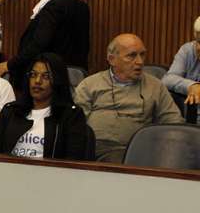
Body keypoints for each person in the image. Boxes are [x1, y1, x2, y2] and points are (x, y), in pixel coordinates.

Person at [74, 33, 183, 162]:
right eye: (132, 55)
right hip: (96, 149)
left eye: (142, 54)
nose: (140, 62)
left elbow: (174, 123)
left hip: (139, 149)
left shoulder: (155, 86)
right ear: (112, 59)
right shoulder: (90, 84)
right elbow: (75, 124)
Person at [0, 0, 90, 91]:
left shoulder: (53, 7)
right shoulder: (82, 6)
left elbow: (39, 43)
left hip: (52, 74)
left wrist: (11, 64)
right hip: (77, 73)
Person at [0, 52, 89, 159]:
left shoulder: (71, 115)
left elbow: (73, 160)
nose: (37, 81)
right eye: (33, 75)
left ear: (58, 80)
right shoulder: (11, 111)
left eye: (46, 76)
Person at [162, 15, 200, 107]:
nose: (199, 48)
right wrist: (192, 85)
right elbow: (168, 79)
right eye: (199, 42)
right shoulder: (187, 50)